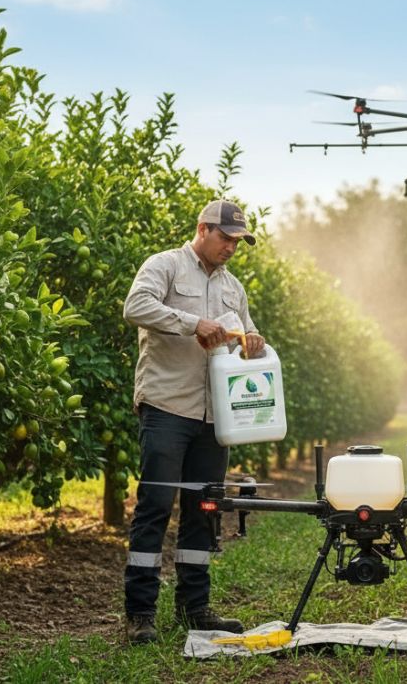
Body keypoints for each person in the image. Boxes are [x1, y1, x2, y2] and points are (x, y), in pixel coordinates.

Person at [121, 199, 266, 645]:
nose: (231, 248)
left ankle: (195, 607)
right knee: (156, 507)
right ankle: (140, 614)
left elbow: (244, 333)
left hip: (213, 415)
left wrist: (254, 342)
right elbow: (135, 307)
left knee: (203, 512)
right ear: (203, 230)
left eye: (238, 241)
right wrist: (192, 323)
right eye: (225, 238)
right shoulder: (164, 266)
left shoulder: (233, 287)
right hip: (167, 407)